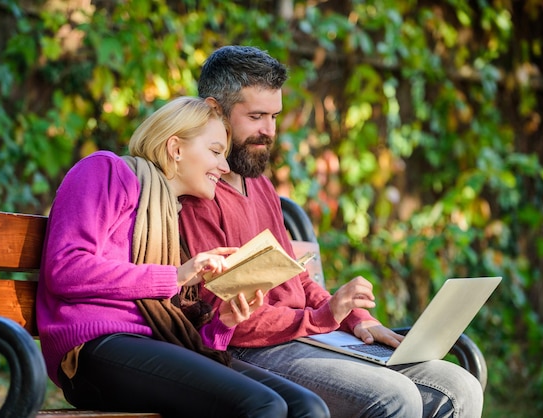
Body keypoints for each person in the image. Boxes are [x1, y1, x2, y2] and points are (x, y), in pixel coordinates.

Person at [178, 46, 485, 418]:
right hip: (250, 348)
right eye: (256, 116)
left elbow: (296, 279)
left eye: (274, 116)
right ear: (214, 110)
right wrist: (324, 318)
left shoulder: (260, 186)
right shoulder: (199, 195)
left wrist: (354, 318)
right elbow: (227, 317)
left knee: (459, 387)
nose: (269, 132)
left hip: (304, 336)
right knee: (393, 396)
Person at [37, 96, 330, 418]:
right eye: (216, 152)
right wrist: (174, 276)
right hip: (94, 349)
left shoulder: (172, 217)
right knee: (263, 405)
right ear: (176, 148)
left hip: (158, 346)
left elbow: (186, 337)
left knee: (308, 407)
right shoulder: (107, 171)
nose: (225, 166)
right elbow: (65, 268)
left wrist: (225, 322)